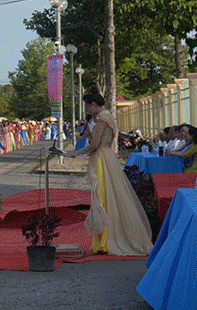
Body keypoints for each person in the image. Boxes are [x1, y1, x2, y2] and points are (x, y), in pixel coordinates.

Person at [63, 91, 152, 256]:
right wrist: (90, 134)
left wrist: (77, 152)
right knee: (110, 197)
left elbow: (95, 144)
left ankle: (107, 239)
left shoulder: (102, 119)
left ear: (94, 105)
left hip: (102, 158)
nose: (88, 110)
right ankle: (106, 238)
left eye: (88, 106)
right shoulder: (108, 117)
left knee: (103, 197)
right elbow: (98, 140)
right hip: (107, 157)